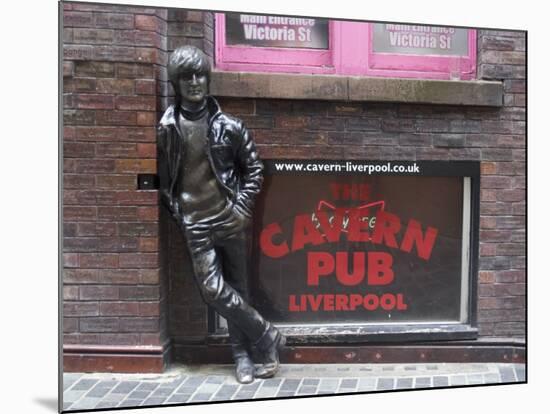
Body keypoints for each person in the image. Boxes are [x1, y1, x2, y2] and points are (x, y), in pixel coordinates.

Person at [157, 45, 285, 384]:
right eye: (187, 76)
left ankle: (246, 357)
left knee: (239, 290)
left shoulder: (229, 126)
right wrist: (180, 212)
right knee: (213, 291)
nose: (195, 82)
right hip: (195, 223)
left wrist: (241, 208)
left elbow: (254, 169)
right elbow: (165, 180)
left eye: (200, 74)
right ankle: (267, 334)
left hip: (229, 218)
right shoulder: (168, 128)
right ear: (176, 83)